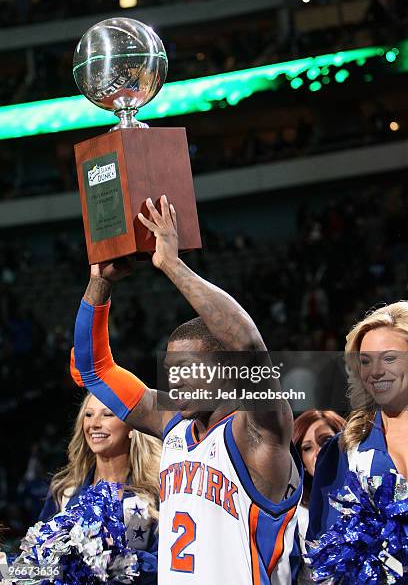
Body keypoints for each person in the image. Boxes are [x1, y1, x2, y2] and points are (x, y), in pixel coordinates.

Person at [71, 195, 303, 584]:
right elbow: (94, 370)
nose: (176, 380)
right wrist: (100, 283)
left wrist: (172, 265)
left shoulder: (259, 431)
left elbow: (248, 345)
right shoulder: (172, 423)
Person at [308, 302, 408, 543]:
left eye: (389, 358)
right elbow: (324, 546)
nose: (375, 371)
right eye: (365, 361)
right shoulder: (342, 450)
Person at [40, 393, 162, 584]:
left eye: (107, 414)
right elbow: (39, 564)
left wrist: (116, 561)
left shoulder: (154, 494)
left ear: (133, 426)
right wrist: (7, 568)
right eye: (88, 415)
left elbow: (169, 568)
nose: (94, 424)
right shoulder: (65, 492)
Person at [292, 410, 345, 583]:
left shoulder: (373, 496)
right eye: (307, 448)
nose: (319, 452)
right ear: (302, 462)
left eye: (327, 441)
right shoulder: (296, 517)